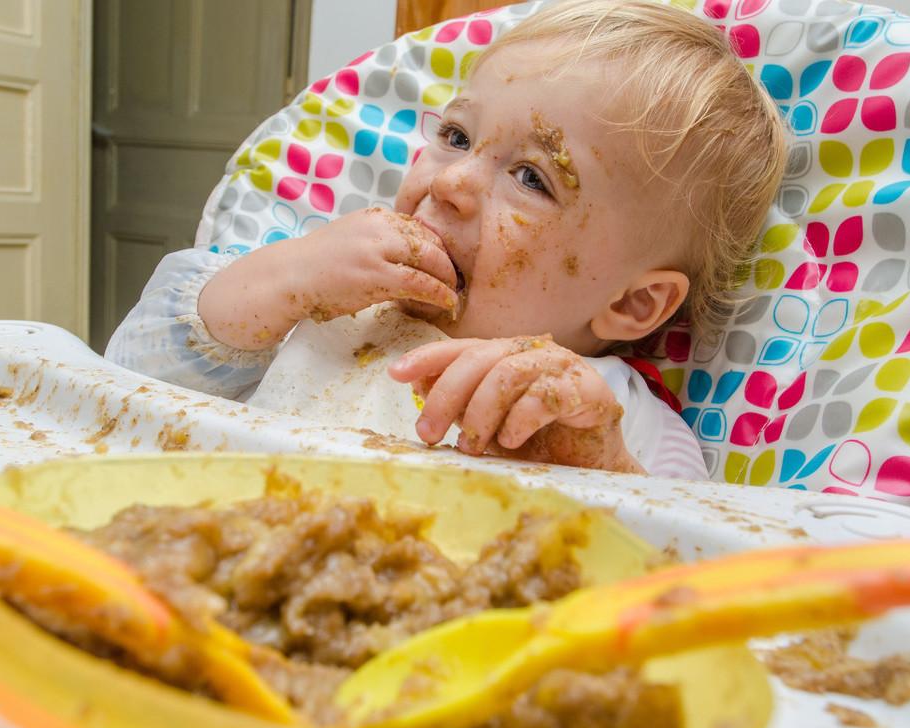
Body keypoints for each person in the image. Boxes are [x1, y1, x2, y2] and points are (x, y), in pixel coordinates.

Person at [105, 0, 788, 478]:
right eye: (457, 135)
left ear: (635, 306)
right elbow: (125, 380)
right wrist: (289, 276)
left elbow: (685, 561)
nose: (453, 181)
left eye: (531, 177)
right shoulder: (328, 302)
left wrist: (605, 465)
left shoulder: (598, 411)